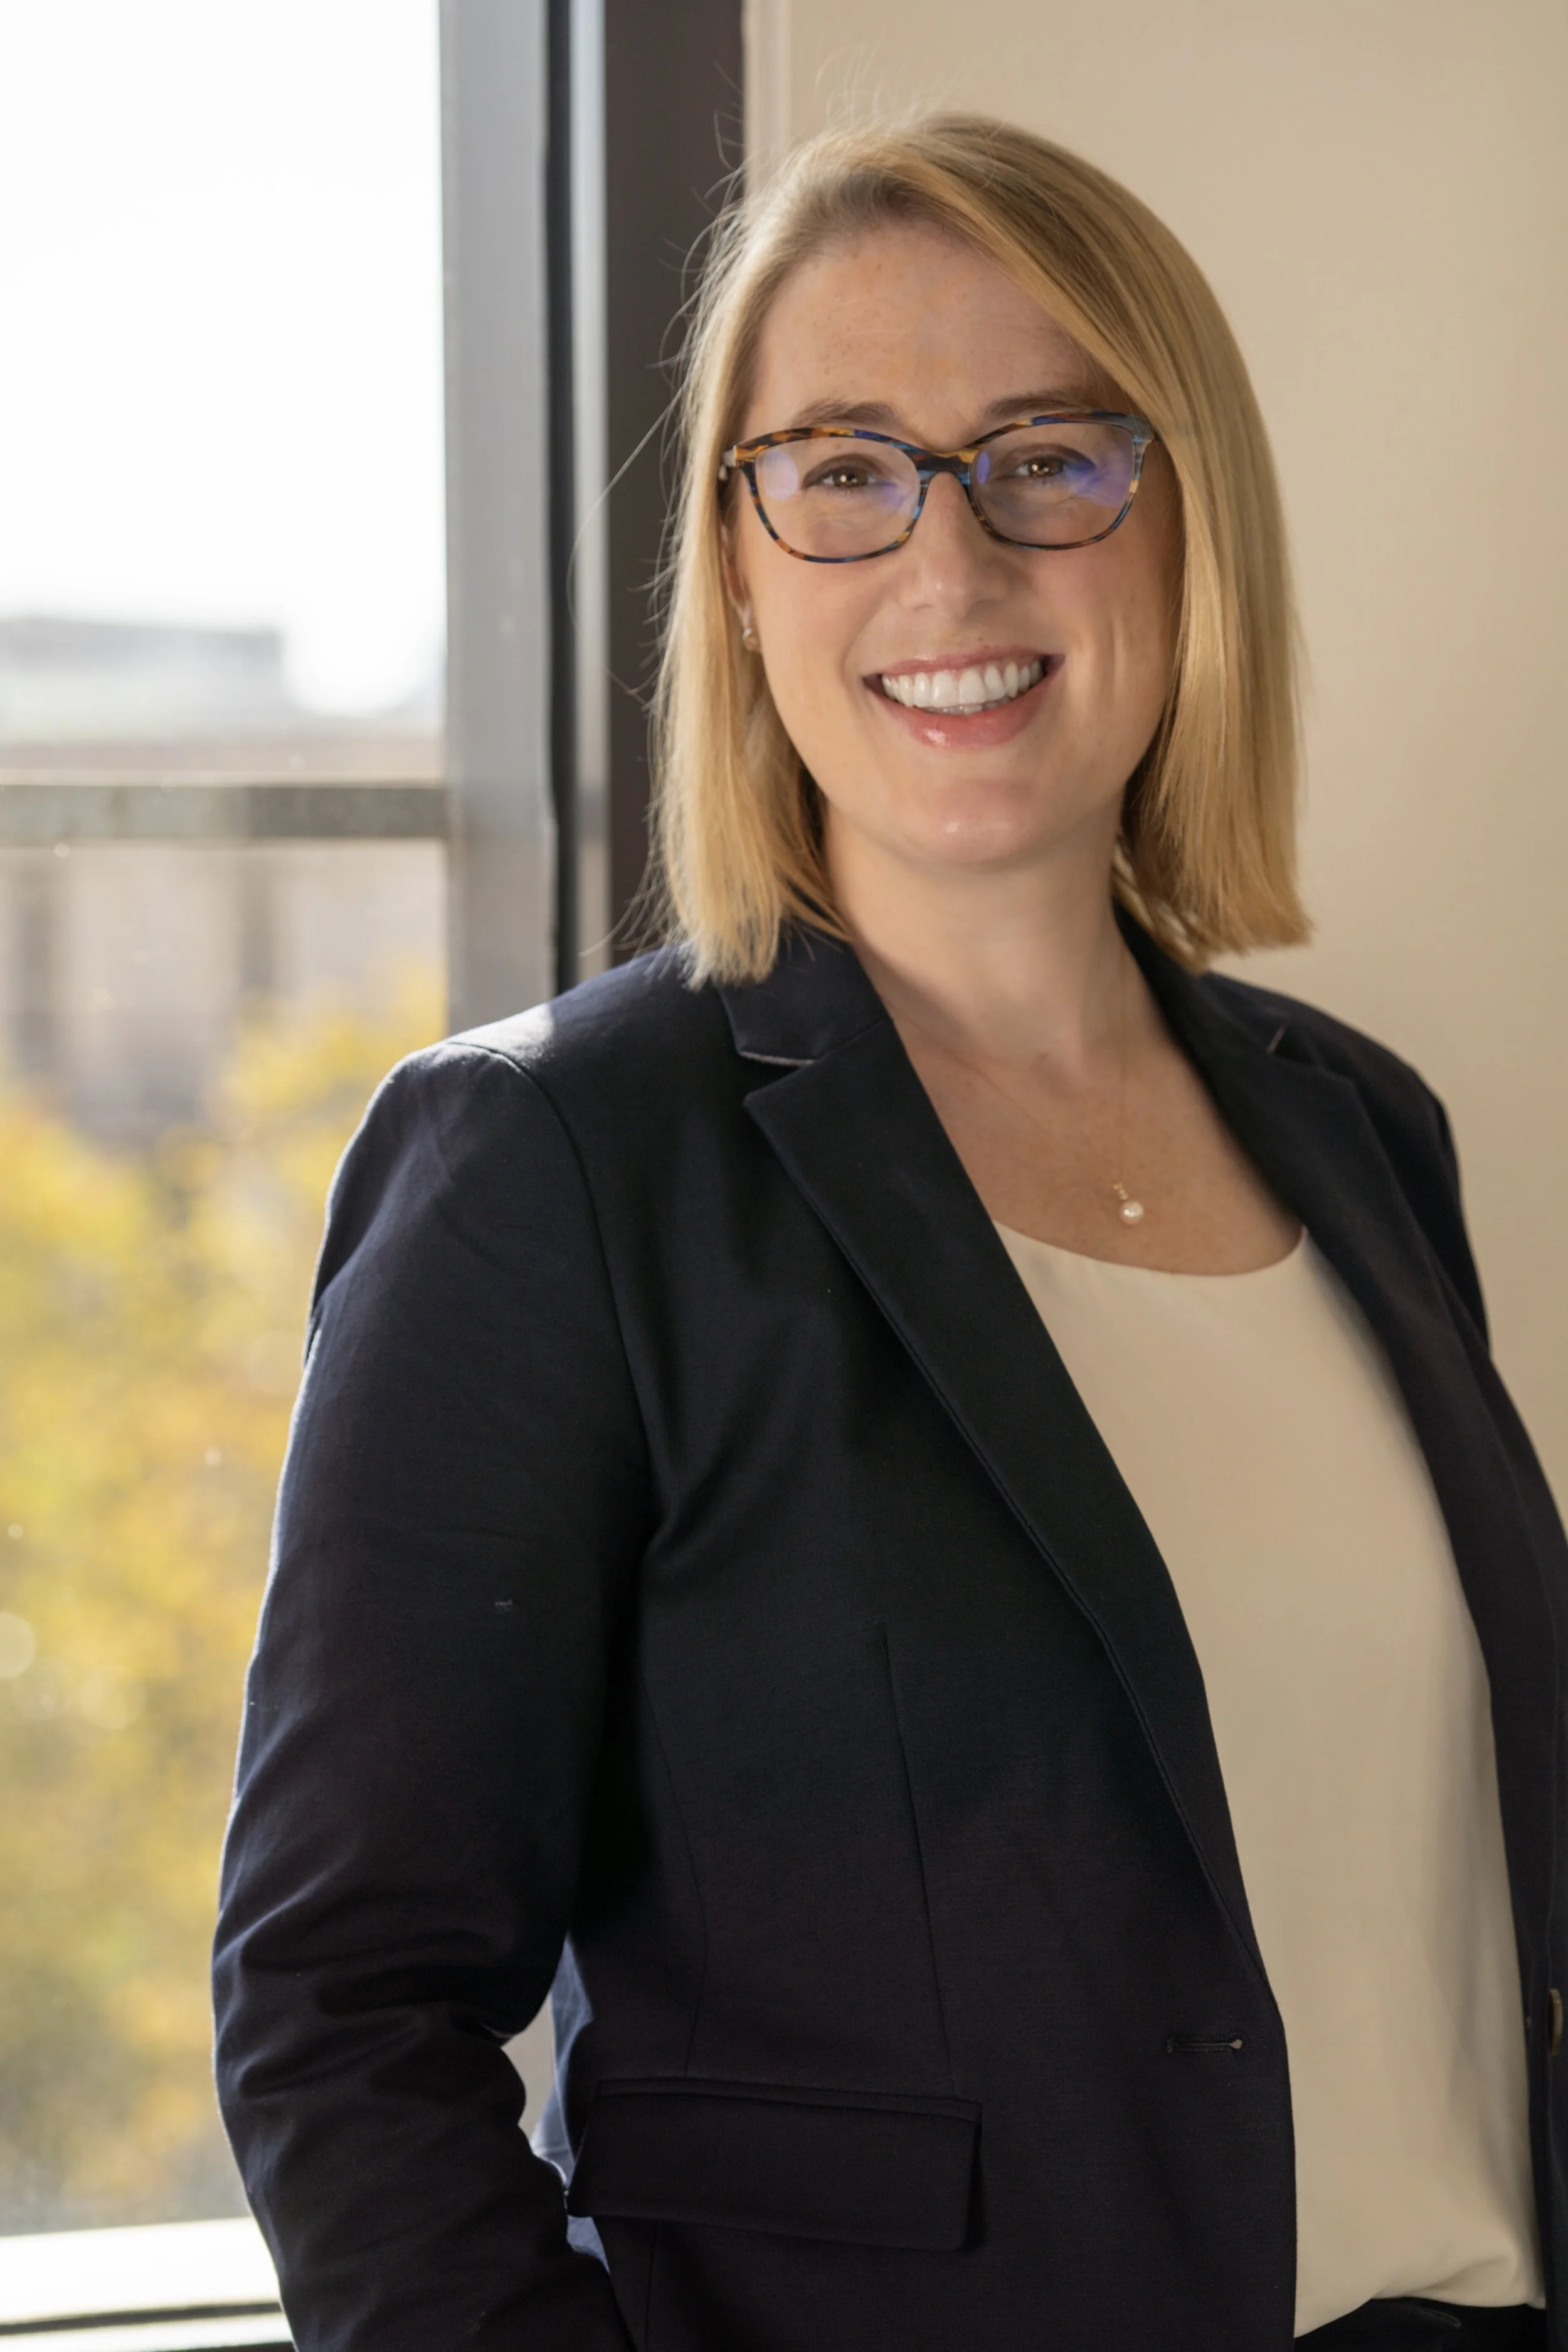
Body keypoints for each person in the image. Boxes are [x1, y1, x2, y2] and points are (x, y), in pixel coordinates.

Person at [212, 115, 1565, 2351]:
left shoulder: (1361, 1139)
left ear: (1184, 529)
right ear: (739, 567)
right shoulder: (552, 1167)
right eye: (841, 468)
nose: (949, 567)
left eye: (1051, 457)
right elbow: (342, 2015)